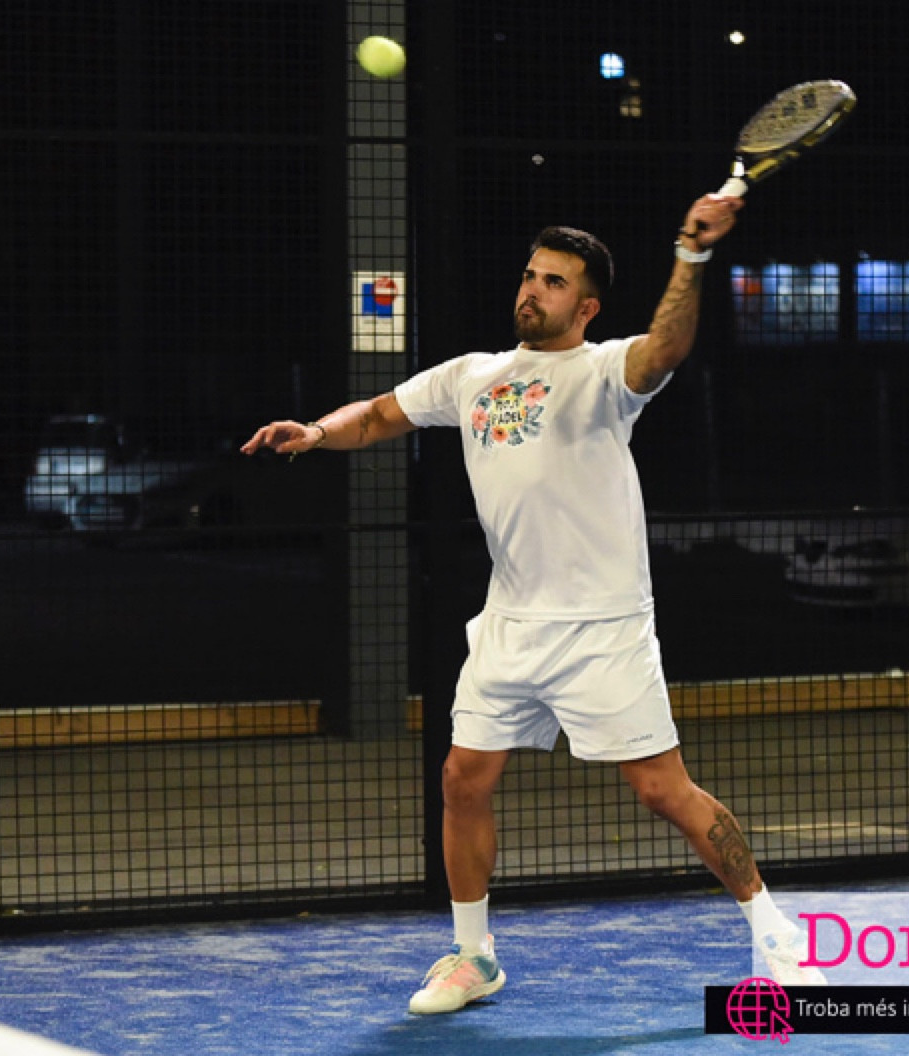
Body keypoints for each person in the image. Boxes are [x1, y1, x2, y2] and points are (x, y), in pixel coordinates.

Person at [241, 191, 826, 1014]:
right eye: (529, 275)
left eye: (553, 282)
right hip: (511, 624)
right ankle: (473, 957)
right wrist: (314, 431)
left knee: (663, 791)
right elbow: (375, 416)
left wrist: (692, 253)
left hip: (604, 628)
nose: (532, 290)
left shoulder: (605, 374)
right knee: (462, 778)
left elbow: (665, 348)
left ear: (585, 307)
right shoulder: (472, 376)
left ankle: (776, 934)